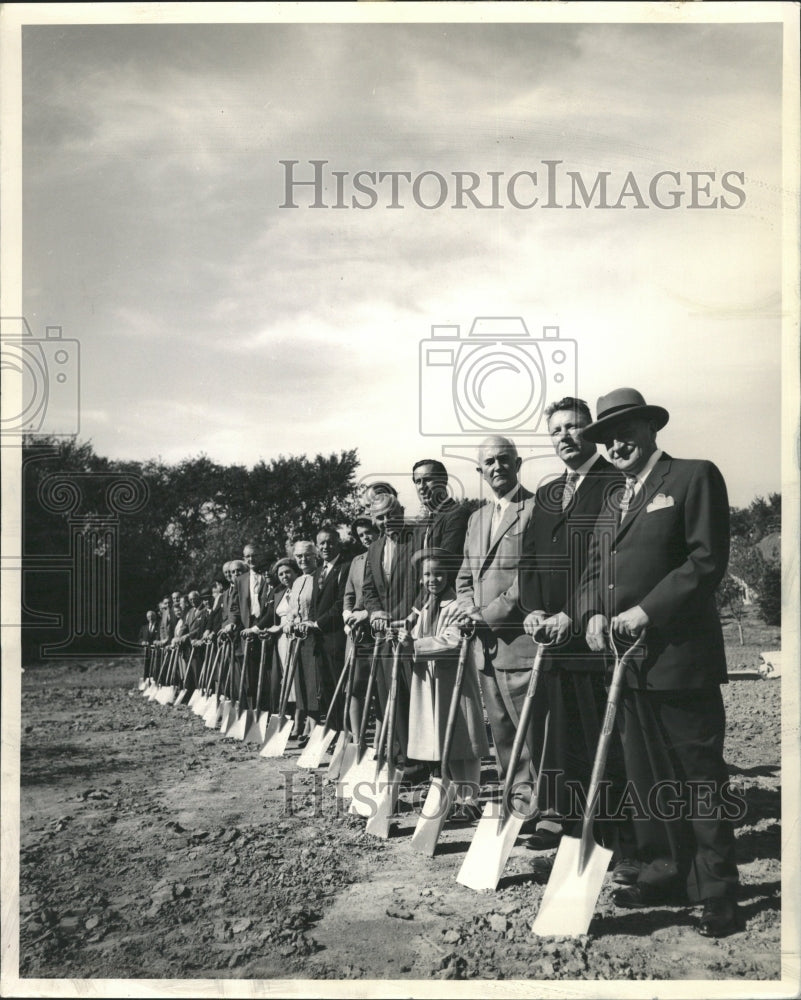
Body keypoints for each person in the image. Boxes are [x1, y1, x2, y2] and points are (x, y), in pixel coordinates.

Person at [578, 387, 739, 937]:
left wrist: (646, 611)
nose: (615, 443)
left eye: (626, 430)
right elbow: (592, 577)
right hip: (627, 665)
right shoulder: (609, 504)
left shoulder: (693, 476)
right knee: (647, 777)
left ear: (651, 429)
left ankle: (717, 890)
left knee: (699, 777)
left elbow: (706, 560)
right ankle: (664, 870)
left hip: (680, 658)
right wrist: (593, 615)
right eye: (604, 436)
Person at [520, 397, 634, 873]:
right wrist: (534, 609)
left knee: (605, 737)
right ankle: (574, 832)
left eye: (574, 427)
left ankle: (616, 838)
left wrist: (575, 611)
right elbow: (528, 558)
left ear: (592, 431)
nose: (565, 436)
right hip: (553, 639)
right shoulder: (548, 492)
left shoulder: (616, 483)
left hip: (595, 635)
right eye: (556, 430)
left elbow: (614, 561)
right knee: (565, 737)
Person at [450, 435, 543, 826]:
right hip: (484, 646)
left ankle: (546, 809)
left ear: (518, 463)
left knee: (531, 732)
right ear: (480, 471)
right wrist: (469, 609)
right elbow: (465, 576)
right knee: (502, 733)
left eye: (504, 460)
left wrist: (486, 615)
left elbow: (530, 578)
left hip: (518, 641)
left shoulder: (538, 509)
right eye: (489, 462)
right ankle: (519, 805)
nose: (497, 467)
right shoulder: (477, 518)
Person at [403, 547, 489, 820]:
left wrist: (414, 646)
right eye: (428, 574)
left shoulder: (456, 605)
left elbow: (454, 640)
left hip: (454, 681)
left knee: (464, 741)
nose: (433, 579)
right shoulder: (424, 605)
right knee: (444, 741)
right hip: (430, 683)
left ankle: (470, 798)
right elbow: (411, 635)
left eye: (439, 574)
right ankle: (450, 795)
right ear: (421, 578)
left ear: (448, 575)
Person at [361, 492, 421, 780]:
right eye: (381, 517)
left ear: (401, 510)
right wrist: (375, 613)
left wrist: (414, 614)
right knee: (389, 695)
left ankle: (421, 759)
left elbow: (430, 582)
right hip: (385, 632)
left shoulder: (419, 538)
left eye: (391, 514)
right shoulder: (374, 548)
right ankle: (401, 755)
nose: (387, 521)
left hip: (413, 629)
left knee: (413, 694)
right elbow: (369, 590)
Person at [308, 525, 350, 729]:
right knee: (325, 688)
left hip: (337, 638)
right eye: (321, 543)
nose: (326, 546)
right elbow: (315, 605)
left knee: (339, 686)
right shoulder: (318, 572)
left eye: (330, 542)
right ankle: (332, 730)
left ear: (338, 543)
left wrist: (318, 623)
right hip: (320, 641)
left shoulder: (346, 567)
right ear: (317, 546)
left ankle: (344, 730)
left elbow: (341, 603)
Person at [283, 540, 323, 741]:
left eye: (307, 555)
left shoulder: (321, 577)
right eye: (299, 556)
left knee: (313, 682)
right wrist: (289, 622)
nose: (303, 559)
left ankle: (315, 728)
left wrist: (310, 623)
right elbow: (292, 609)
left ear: (315, 555)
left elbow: (320, 607)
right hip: (297, 638)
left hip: (315, 637)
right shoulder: (298, 581)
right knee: (300, 683)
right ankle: (306, 723)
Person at [343, 516, 379, 734]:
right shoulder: (356, 561)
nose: (366, 537)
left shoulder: (386, 556)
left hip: (378, 627)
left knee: (379, 688)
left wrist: (368, 613)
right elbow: (348, 594)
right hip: (356, 632)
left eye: (369, 532)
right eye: (361, 535)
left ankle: (379, 744)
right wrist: (347, 617)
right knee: (354, 686)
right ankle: (358, 740)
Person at [411, 459, 470, 560]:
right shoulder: (421, 524)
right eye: (418, 481)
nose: (421, 487)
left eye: (427, 480)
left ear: (444, 480)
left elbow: (445, 563)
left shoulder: (457, 515)